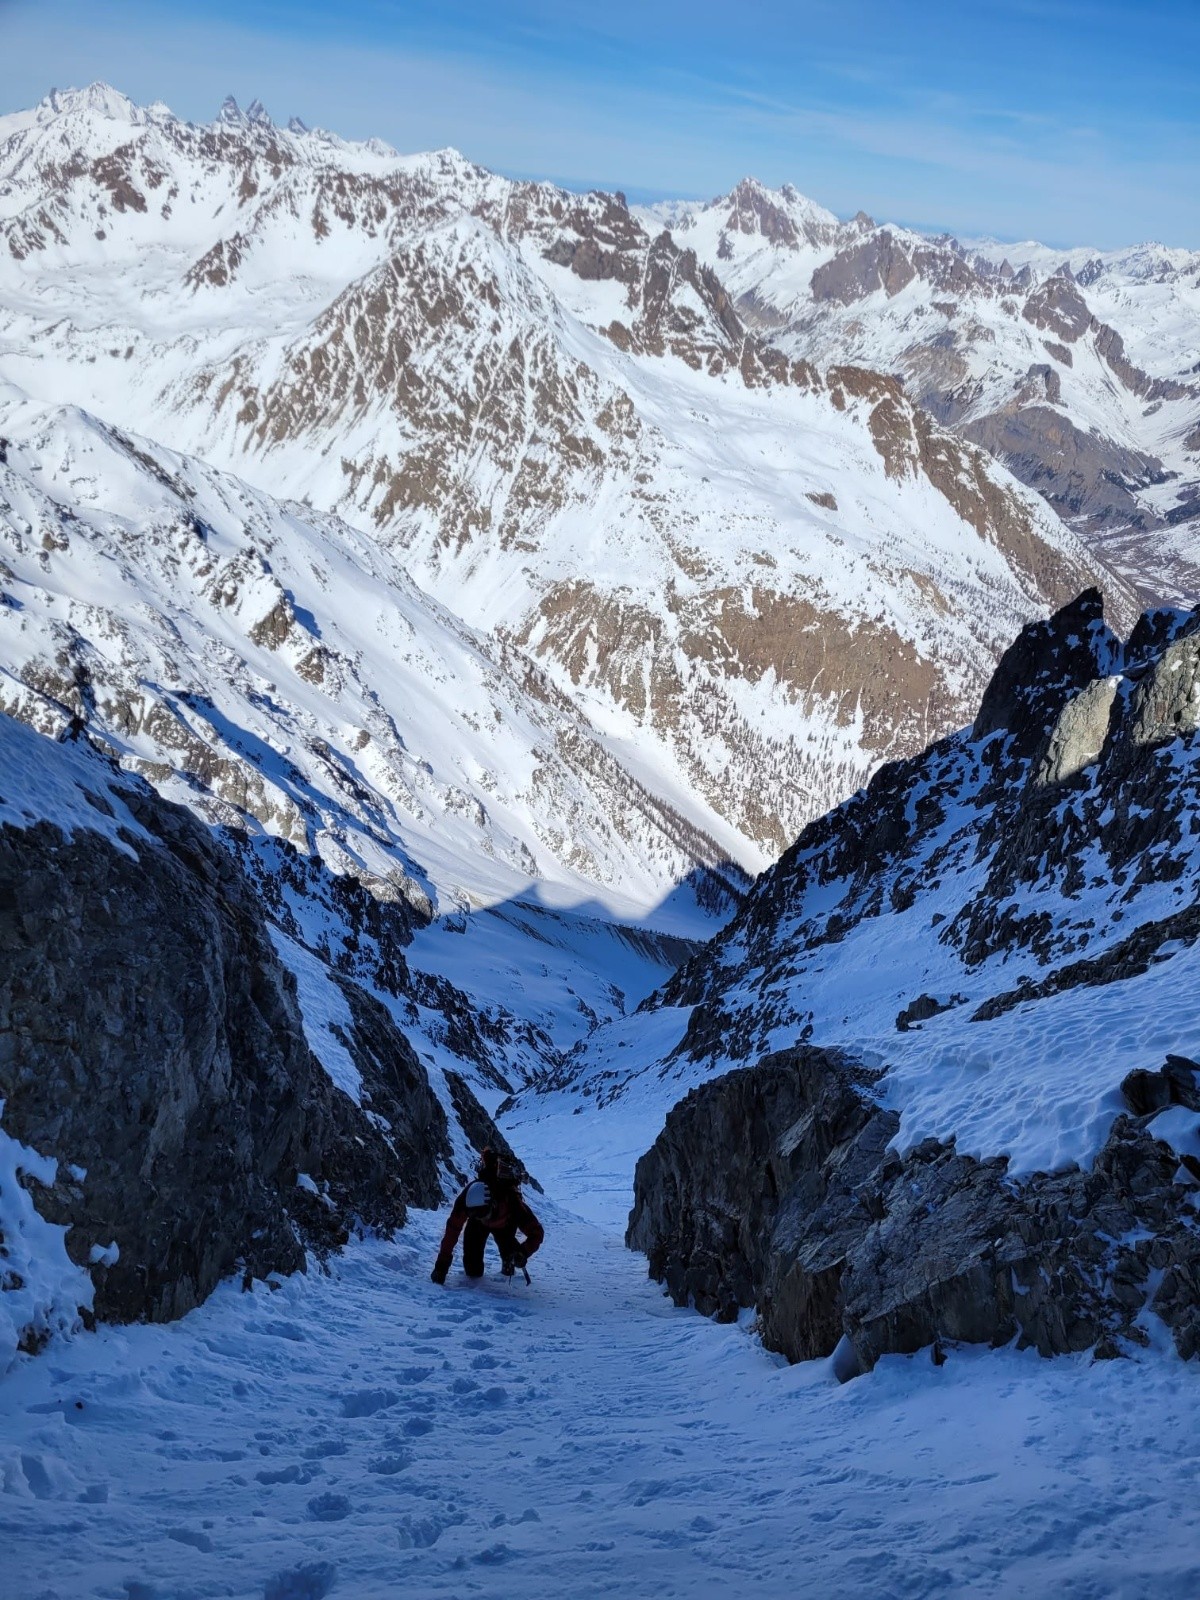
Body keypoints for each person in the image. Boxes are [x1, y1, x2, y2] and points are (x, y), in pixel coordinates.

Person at [430, 1148, 544, 1285]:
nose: (482, 1218)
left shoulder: (512, 1202)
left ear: (493, 1204)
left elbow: (536, 1233)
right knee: (473, 1270)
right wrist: (441, 1266)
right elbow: (452, 1231)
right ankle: (506, 1261)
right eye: (476, 1215)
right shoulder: (466, 1201)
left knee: (511, 1258)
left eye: (484, 1214)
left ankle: (509, 1264)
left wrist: (523, 1252)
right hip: (478, 1227)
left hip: (506, 1225)